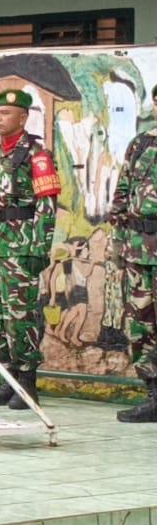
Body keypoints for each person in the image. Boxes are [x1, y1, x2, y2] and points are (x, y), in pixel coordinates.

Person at [0, 88, 59, 409]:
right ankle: (7, 379)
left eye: (5, 113)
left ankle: (26, 383)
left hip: (20, 249)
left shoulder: (36, 154)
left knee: (19, 315)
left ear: (23, 117)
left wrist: (39, 248)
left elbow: (47, 206)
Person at [108, 84, 157, 422]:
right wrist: (118, 243)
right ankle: (154, 394)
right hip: (139, 250)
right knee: (141, 326)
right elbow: (122, 193)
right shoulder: (141, 144)